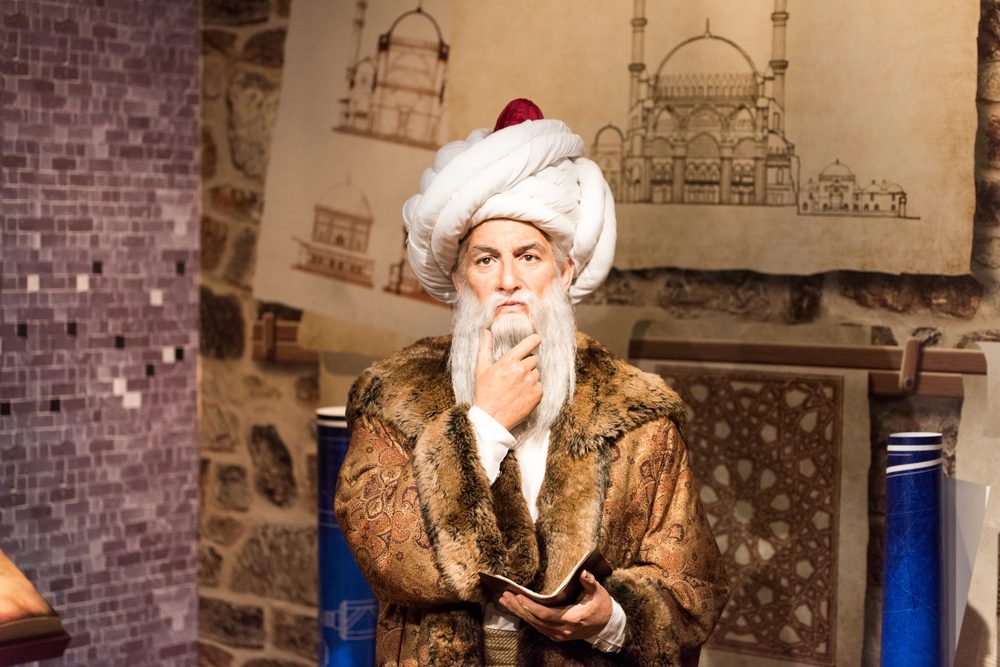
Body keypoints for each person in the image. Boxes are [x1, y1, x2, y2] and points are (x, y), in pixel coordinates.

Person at [335, 99, 727, 666]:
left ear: (565, 272)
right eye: (485, 260)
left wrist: (613, 619)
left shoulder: (637, 416)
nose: (508, 281)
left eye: (529, 256)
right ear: (459, 280)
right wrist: (482, 427)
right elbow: (386, 554)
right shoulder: (394, 398)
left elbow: (694, 588)